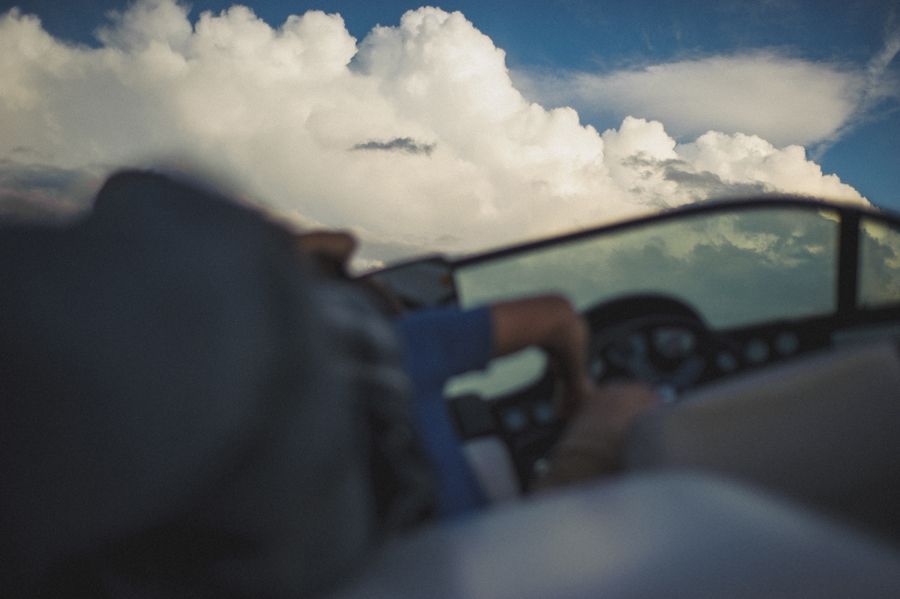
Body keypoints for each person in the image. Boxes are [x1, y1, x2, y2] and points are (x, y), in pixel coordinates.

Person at [1, 170, 656, 598]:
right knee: (628, 404)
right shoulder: (396, 342)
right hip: (504, 571)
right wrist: (580, 387)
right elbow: (558, 316)